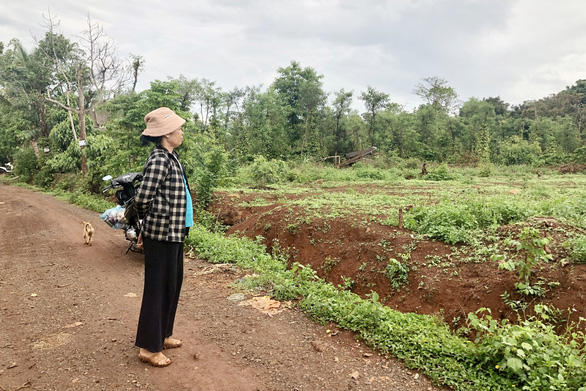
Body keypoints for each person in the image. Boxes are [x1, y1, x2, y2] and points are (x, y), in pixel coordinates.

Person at [133, 107, 194, 367]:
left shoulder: (172, 156)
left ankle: (163, 335)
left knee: (171, 285)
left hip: (175, 232)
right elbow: (143, 198)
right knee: (157, 289)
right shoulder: (159, 158)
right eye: (178, 129)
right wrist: (148, 225)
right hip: (161, 233)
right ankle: (149, 347)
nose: (181, 132)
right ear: (166, 134)